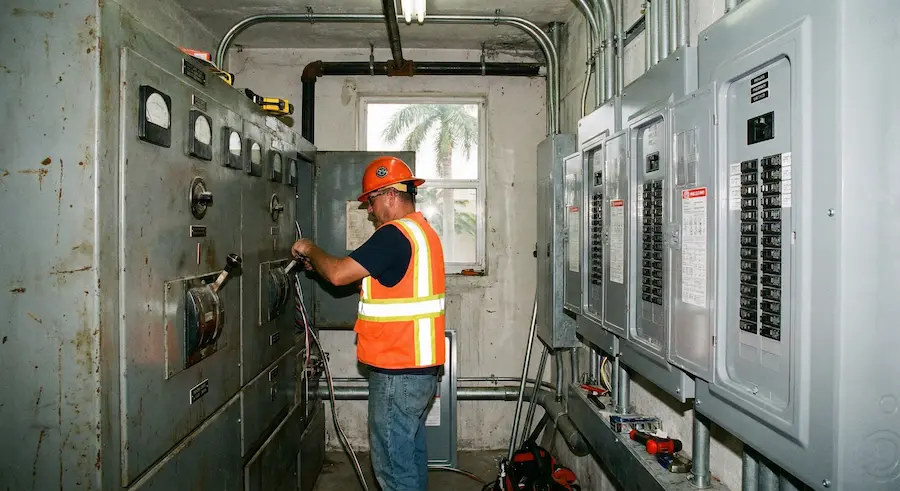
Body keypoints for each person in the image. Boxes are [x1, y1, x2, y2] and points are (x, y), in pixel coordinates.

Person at [291, 156, 446, 491]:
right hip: (421, 369)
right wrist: (319, 266)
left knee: (393, 468)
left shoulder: (393, 235)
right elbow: (385, 279)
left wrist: (309, 248)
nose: (370, 211)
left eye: (371, 201)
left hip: (398, 371)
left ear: (390, 195)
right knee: (410, 455)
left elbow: (338, 274)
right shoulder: (423, 232)